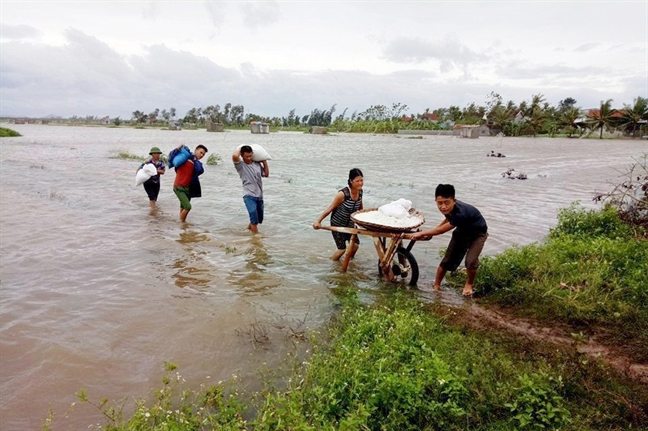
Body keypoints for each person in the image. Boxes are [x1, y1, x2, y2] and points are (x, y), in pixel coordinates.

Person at [410, 184, 488, 297]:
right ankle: (436, 285)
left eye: (447, 202)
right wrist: (434, 230)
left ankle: (469, 284)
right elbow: (448, 218)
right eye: (439, 203)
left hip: (478, 234)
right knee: (447, 259)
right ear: (436, 200)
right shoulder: (451, 210)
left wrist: (422, 233)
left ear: (454, 200)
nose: (443, 206)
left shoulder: (461, 213)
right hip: (462, 230)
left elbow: (441, 231)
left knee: (470, 261)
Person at [312, 168, 364, 261]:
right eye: (357, 181)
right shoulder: (343, 194)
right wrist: (318, 221)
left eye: (362, 180)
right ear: (351, 181)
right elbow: (330, 208)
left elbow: (360, 207)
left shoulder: (360, 192)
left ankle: (348, 262)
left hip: (350, 224)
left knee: (355, 246)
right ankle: (333, 264)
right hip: (337, 223)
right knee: (341, 250)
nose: (360, 183)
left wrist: (364, 222)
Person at [232, 145, 269, 234]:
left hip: (259, 195)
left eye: (250, 156)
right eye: (246, 156)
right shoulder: (240, 165)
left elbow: (266, 174)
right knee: (253, 217)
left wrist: (264, 162)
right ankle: (256, 240)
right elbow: (234, 156)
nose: (248, 158)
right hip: (249, 195)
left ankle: (248, 230)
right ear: (242, 155)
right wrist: (240, 148)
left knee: (258, 219)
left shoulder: (257, 164)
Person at [173, 144, 208, 222]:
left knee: (182, 207)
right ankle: (181, 224)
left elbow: (199, 171)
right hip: (179, 186)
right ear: (195, 150)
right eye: (201, 152)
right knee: (188, 207)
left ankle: (181, 228)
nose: (202, 155)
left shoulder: (196, 163)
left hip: (188, 188)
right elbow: (174, 160)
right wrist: (178, 148)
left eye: (203, 154)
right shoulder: (185, 158)